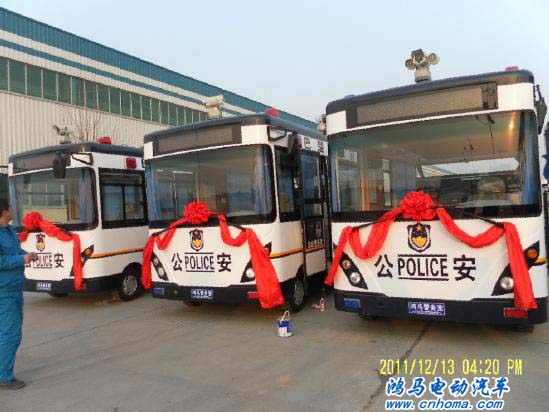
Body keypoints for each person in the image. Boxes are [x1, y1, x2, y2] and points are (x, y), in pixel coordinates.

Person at [0, 199, 37, 390]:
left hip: (14, 287)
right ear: (4, 212)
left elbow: (15, 251)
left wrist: (27, 255)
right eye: (10, 208)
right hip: (4, 291)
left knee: (8, 332)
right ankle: (4, 376)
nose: (13, 210)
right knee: (11, 334)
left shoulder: (9, 230)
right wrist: (21, 259)